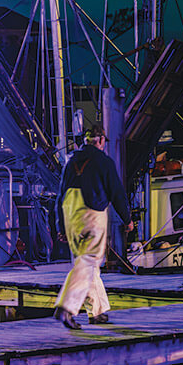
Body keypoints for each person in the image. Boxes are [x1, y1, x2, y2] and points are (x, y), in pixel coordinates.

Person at [53, 122, 132, 329]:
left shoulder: (71, 162)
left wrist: (60, 226)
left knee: (87, 263)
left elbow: (59, 196)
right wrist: (128, 219)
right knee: (89, 261)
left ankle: (96, 311)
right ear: (102, 141)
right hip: (91, 212)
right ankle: (67, 307)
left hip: (70, 213)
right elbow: (117, 193)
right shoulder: (104, 162)